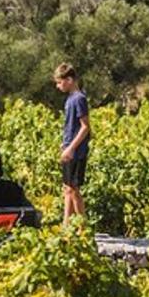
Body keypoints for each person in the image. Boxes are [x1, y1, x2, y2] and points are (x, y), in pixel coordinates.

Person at [53, 62, 90, 224]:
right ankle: (66, 224)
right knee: (67, 188)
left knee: (74, 190)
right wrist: (64, 144)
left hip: (77, 151)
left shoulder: (79, 99)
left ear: (69, 79)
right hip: (69, 147)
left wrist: (71, 148)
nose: (58, 86)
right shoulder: (70, 99)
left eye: (60, 82)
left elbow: (85, 127)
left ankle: (83, 226)